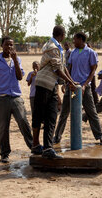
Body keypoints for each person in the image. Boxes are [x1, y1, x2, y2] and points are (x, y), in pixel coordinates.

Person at [54, 32, 102, 146]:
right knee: (64, 112)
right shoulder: (73, 53)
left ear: (80, 39)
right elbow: (69, 68)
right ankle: (57, 136)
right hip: (72, 88)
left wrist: (85, 85)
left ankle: (100, 136)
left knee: (91, 112)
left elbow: (93, 70)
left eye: (74, 39)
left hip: (85, 88)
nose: (73, 41)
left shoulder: (91, 53)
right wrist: (67, 82)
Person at [0, 36, 35, 163]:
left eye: (11, 45)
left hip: (16, 97)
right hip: (2, 98)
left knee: (23, 121)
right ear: (2, 45)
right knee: (3, 127)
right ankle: (4, 153)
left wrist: (15, 61)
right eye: (7, 45)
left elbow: (20, 77)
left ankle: (33, 147)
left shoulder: (17, 60)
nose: (9, 47)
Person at [33, 26, 78, 159]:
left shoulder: (57, 47)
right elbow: (58, 69)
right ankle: (36, 145)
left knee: (51, 115)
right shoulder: (52, 46)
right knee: (39, 115)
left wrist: (71, 81)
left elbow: (63, 67)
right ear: (63, 35)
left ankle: (47, 147)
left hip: (51, 85)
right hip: (44, 84)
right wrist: (70, 82)